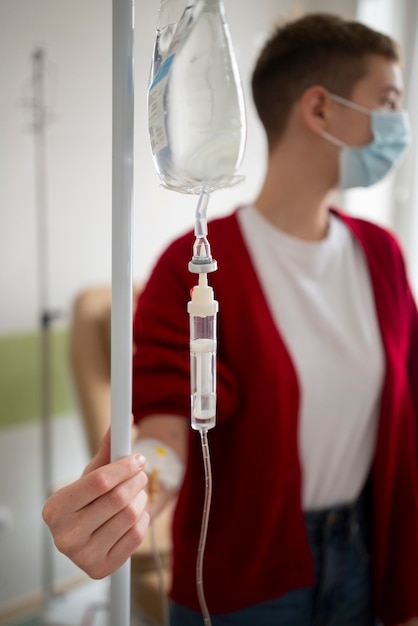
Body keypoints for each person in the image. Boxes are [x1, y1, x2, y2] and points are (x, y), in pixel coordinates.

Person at [42, 12, 418, 626]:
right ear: (320, 109)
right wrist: (136, 491)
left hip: (366, 560)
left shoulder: (382, 255)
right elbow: (169, 428)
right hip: (250, 579)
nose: (400, 125)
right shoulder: (195, 268)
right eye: (390, 100)